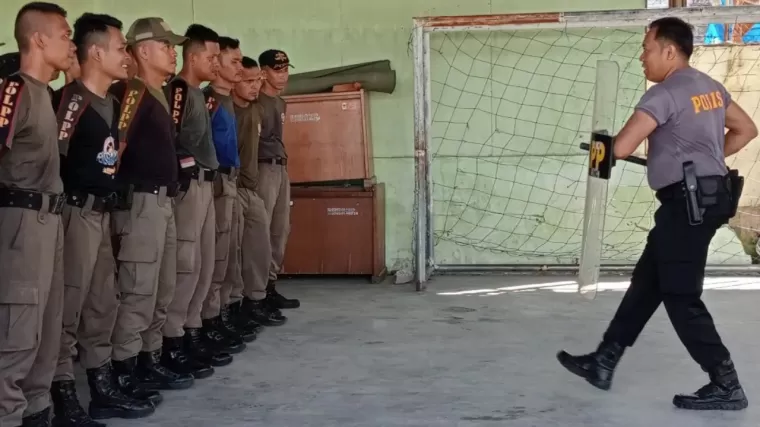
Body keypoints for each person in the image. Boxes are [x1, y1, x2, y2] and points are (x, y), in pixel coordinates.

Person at [557, 17, 758, 411]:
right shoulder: (710, 88)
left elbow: (619, 148)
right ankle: (605, 359)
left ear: (670, 50)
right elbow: (746, 130)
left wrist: (602, 146)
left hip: (686, 205)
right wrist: (707, 160)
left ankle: (726, 383)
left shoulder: (663, 94)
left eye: (646, 48)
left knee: (681, 295)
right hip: (709, 199)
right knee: (649, 281)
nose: (641, 57)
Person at [50, 13, 156, 426]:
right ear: (95, 52)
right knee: (68, 309)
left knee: (102, 305)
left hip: (102, 214)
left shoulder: (113, 101)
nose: (125, 56)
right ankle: (61, 396)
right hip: (74, 214)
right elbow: (51, 164)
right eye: (119, 48)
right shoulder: (70, 101)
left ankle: (101, 388)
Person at [109, 16, 194, 396]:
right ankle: (124, 370)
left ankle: (150, 359)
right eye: (166, 46)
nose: (173, 52)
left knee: (162, 288)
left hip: (163, 203)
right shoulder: (130, 91)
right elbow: (116, 147)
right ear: (143, 50)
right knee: (139, 290)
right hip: (141, 203)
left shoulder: (158, 92)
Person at [0, 3, 72, 426]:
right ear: (38, 39)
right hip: (21, 222)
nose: (70, 43)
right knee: (17, 336)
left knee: (46, 334)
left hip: (51, 220)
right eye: (64, 34)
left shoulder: (46, 94)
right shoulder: (15, 91)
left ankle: (37, 414)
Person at [161, 24, 231, 379]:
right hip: (190, 188)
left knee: (203, 263)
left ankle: (191, 331)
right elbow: (172, 140)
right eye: (211, 56)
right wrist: (186, 174)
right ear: (193, 57)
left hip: (207, 185)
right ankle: (172, 339)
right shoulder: (178, 91)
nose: (216, 63)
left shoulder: (201, 94)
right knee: (185, 265)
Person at [200, 36, 249, 356]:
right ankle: (206, 322)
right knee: (213, 258)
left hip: (230, 180)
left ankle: (223, 314)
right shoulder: (208, 101)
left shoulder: (228, 99)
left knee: (230, 253)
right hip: (213, 183)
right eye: (234, 62)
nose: (240, 69)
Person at [231, 56, 288, 328]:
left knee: (276, 232)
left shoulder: (271, 104)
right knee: (251, 240)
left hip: (270, 171)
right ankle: (250, 299)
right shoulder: (241, 107)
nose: (255, 86)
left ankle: (264, 292)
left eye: (287, 69)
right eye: (249, 80)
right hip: (250, 177)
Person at [256, 49, 300, 310]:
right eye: (277, 70)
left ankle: (270, 285)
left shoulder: (280, 102)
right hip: (263, 169)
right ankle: (257, 290)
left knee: (279, 230)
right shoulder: (256, 101)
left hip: (280, 167)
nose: (283, 75)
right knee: (260, 231)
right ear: (263, 72)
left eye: (285, 69)